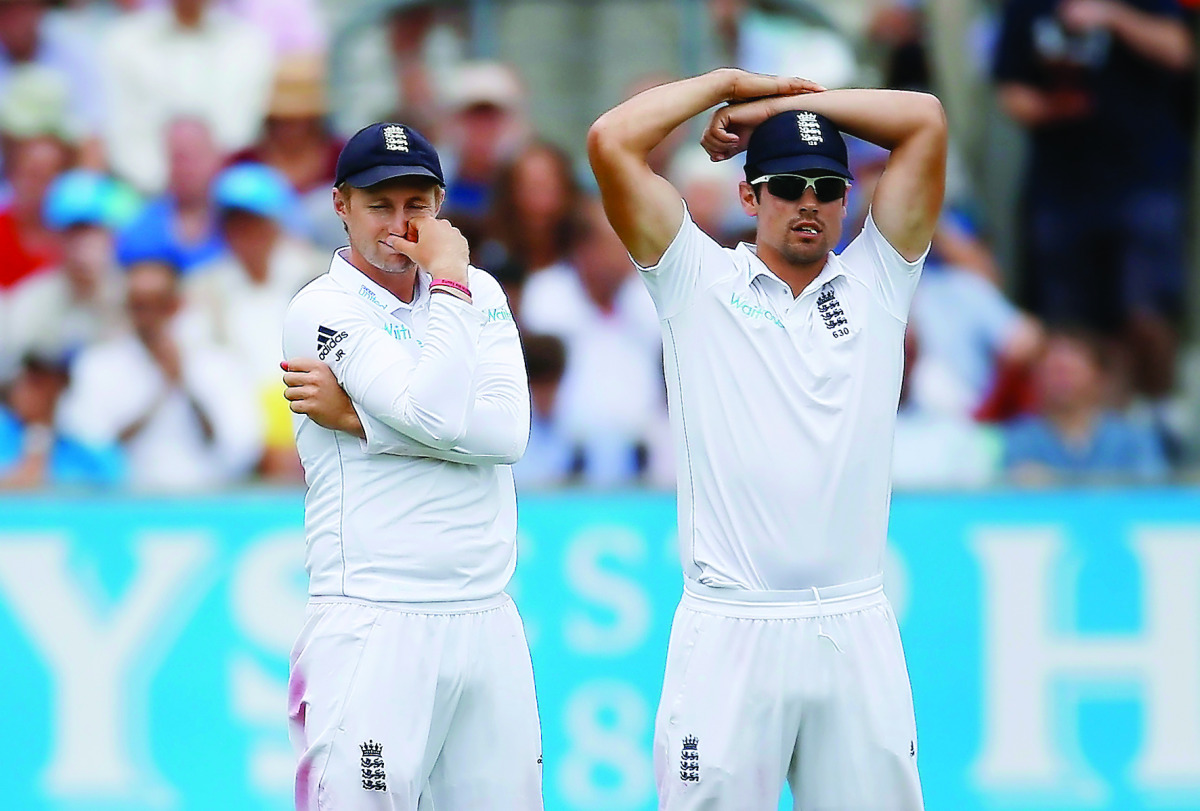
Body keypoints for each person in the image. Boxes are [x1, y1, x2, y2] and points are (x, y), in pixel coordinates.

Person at [587, 69, 946, 808]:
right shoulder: (694, 279)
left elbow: (926, 121)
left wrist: (784, 107)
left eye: (826, 186)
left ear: (849, 199)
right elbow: (611, 142)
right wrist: (724, 83)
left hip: (854, 626)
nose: (807, 202)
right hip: (731, 628)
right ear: (749, 195)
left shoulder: (880, 283)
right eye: (786, 184)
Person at [280, 122, 541, 810]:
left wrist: (364, 421)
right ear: (340, 204)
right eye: (379, 204)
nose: (400, 225)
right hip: (373, 614)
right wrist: (450, 284)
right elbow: (435, 416)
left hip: (486, 615)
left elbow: (508, 433)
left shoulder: (479, 291)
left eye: (417, 205)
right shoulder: (321, 308)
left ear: (440, 203)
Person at [57, 259, 262, 491]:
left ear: (177, 305)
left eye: (159, 305)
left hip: (205, 499)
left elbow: (236, 446)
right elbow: (94, 449)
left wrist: (183, 383)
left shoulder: (218, 364)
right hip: (123, 504)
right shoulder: (98, 365)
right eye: (138, 306)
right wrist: (163, 389)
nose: (147, 317)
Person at [1003, 326, 1168, 483]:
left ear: (1099, 377)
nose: (1062, 381)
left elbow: (1156, 496)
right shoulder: (1018, 439)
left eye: (1070, 371)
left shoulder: (1135, 439)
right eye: (1053, 371)